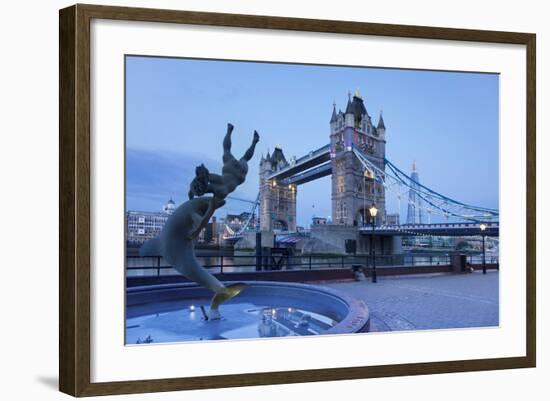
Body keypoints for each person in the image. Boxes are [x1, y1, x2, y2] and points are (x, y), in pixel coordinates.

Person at [188, 123, 260, 200]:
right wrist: (191, 192)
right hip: (230, 170)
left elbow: (210, 207)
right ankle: (230, 130)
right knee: (227, 150)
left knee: (245, 158)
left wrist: (191, 196)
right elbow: (205, 176)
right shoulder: (214, 183)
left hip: (240, 177)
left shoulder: (218, 192)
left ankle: (254, 142)